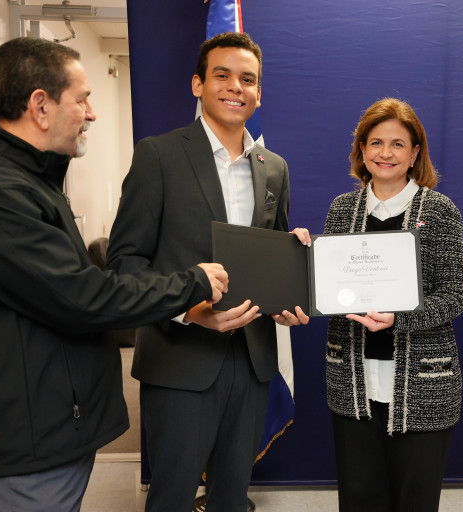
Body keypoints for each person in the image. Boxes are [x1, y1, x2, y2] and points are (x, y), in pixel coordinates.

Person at [0, 37, 229, 512]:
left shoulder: (26, 180)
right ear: (40, 106)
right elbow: (83, 297)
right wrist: (192, 281)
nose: (91, 113)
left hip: (42, 431)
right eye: (82, 99)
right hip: (28, 443)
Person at [105, 32, 309, 512]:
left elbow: (273, 255)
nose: (236, 87)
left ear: (259, 92)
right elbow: (125, 264)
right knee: (172, 496)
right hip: (180, 356)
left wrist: (292, 288)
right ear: (198, 84)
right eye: (222, 75)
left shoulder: (274, 167)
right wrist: (189, 312)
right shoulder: (158, 155)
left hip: (253, 359)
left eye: (248, 79)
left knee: (232, 496)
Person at [323, 98, 463, 512]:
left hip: (423, 385)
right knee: (359, 501)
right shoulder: (341, 210)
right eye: (376, 143)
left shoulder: (439, 211)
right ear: (362, 149)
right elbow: (330, 287)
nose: (385, 153)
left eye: (398, 144)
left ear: (415, 153)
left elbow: (455, 294)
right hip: (353, 382)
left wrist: (398, 319)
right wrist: (305, 262)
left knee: (415, 502)